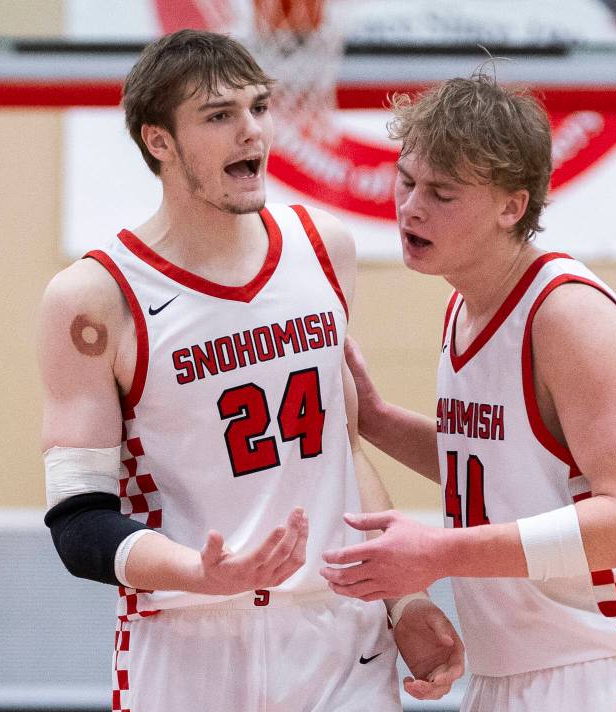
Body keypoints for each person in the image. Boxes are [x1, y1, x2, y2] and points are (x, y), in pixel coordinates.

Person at [36, 30, 462, 712]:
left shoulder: (324, 247)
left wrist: (403, 598)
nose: (252, 132)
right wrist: (201, 571)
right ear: (160, 142)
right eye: (218, 115)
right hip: (187, 635)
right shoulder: (97, 297)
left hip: (336, 636)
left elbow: (342, 455)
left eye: (258, 108)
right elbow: (79, 523)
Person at [320, 70, 616, 711]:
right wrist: (379, 420)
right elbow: (501, 475)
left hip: (607, 671)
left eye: (442, 193)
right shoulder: (464, 308)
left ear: (511, 205)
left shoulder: (565, 314)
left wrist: (437, 553)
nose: (411, 207)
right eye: (407, 180)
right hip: (505, 676)